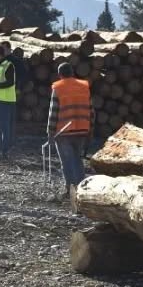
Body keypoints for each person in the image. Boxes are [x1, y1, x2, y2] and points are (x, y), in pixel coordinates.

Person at [48, 62, 93, 195]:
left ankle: (70, 189)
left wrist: (50, 132)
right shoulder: (84, 86)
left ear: (60, 74)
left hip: (64, 131)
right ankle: (81, 189)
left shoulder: (58, 88)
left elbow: (53, 112)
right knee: (77, 159)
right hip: (82, 129)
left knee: (67, 161)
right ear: (73, 72)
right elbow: (91, 110)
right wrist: (90, 129)